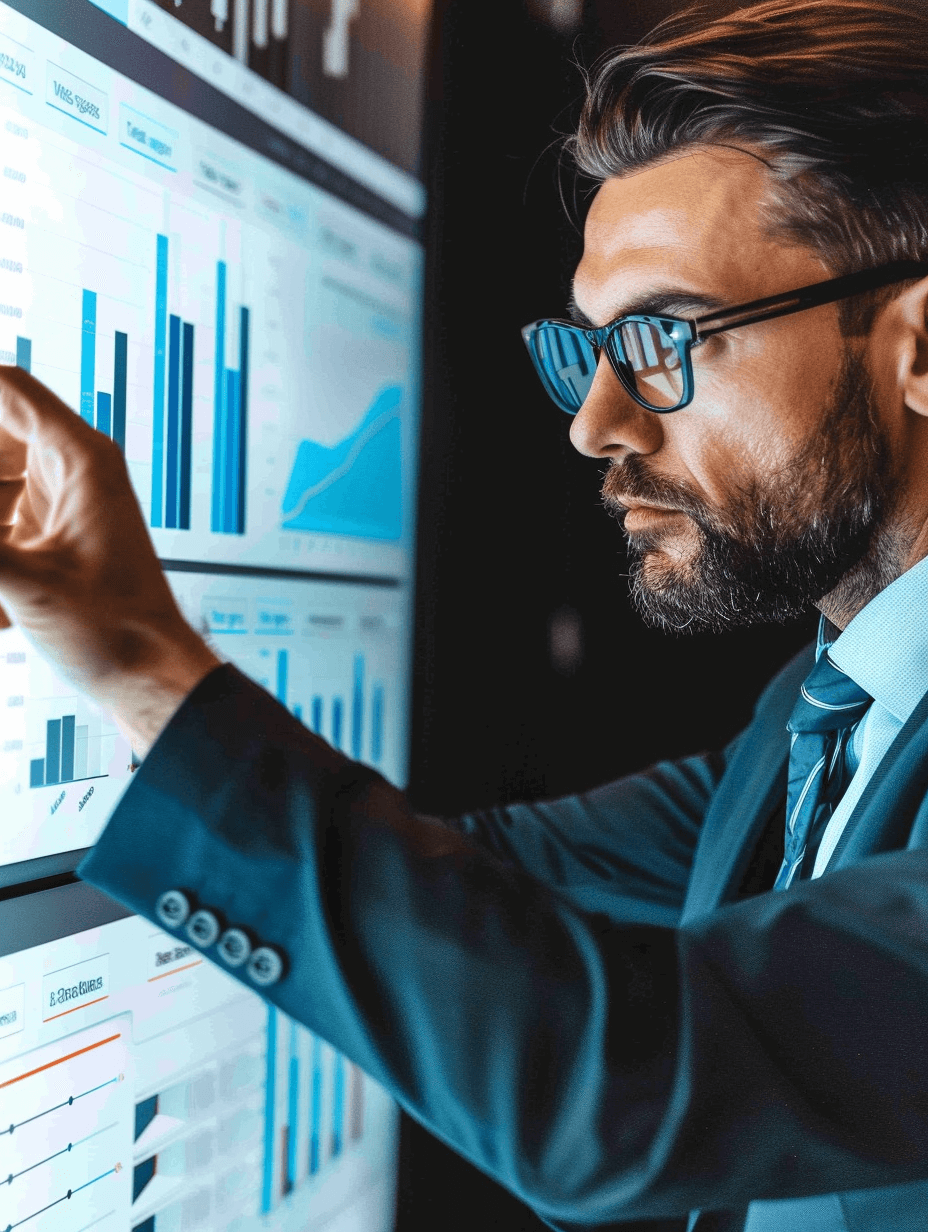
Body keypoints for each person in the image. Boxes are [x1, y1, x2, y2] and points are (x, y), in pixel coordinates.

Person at [1, 0, 928, 1228]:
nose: (594, 423)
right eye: (585, 349)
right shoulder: (816, 722)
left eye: (660, 338)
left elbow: (628, 1087)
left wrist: (139, 659)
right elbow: (478, 883)